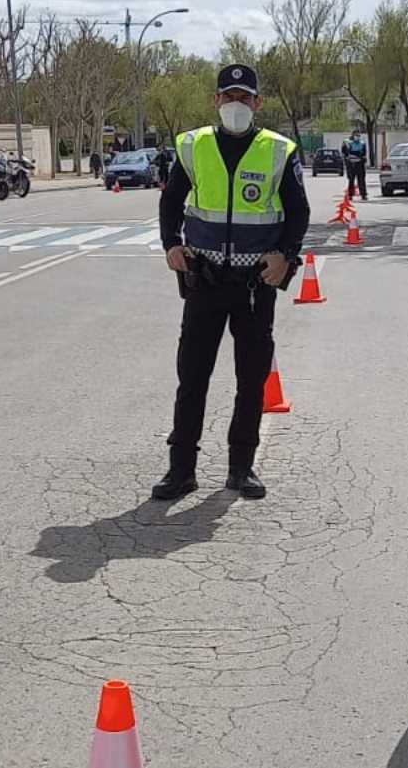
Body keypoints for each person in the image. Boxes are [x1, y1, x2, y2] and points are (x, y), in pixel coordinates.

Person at [154, 63, 310, 502]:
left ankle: (241, 468)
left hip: (254, 285)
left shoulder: (280, 150)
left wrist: (287, 257)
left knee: (251, 377)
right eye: (229, 97)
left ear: (258, 103)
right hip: (204, 280)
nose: (236, 105)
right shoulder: (193, 146)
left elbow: (298, 213)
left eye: (245, 98)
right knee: (193, 376)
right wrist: (171, 245)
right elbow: (171, 203)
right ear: (216, 101)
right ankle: (180, 469)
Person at [341, 131, 368, 200]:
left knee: (361, 180)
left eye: (358, 135)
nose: (357, 137)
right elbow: (345, 152)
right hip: (351, 164)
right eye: (356, 135)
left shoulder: (362, 143)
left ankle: (363, 194)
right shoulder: (349, 143)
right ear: (353, 135)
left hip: (360, 164)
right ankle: (350, 195)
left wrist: (362, 158)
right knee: (351, 180)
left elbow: (364, 153)